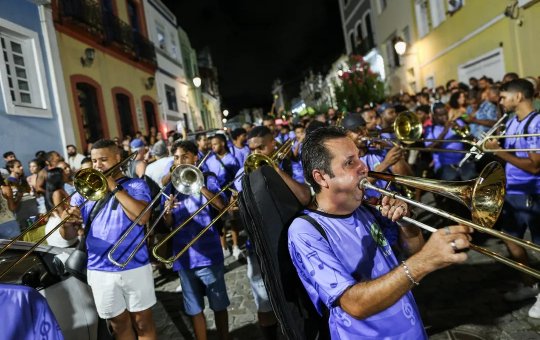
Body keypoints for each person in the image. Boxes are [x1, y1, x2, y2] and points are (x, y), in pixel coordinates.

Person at [288, 127, 473, 339]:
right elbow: (354, 304)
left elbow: (414, 250)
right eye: (350, 162)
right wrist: (423, 262)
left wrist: (406, 224)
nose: (364, 167)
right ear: (321, 177)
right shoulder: (304, 231)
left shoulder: (363, 206)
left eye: (359, 157)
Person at [60, 139, 157, 340]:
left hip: (134, 265)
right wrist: (66, 222)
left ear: (117, 159)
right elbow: (67, 236)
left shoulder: (135, 184)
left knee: (143, 323)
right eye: (94, 161)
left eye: (103, 160)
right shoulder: (84, 191)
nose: (97, 165)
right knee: (118, 326)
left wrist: (113, 187)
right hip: (100, 269)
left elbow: (142, 216)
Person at [234, 125, 311, 339]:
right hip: (260, 246)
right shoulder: (245, 172)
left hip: (295, 241)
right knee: (265, 301)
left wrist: (275, 170)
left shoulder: (290, 164)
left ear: (273, 144)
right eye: (252, 150)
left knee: (302, 299)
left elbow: (305, 197)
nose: (255, 154)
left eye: (260, 148)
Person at [161, 140, 230, 340]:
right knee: (194, 309)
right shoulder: (172, 186)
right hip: (184, 255)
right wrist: (167, 212)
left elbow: (221, 207)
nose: (180, 161)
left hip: (209, 255)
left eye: (184, 157)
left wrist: (199, 186)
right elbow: (167, 224)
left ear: (195, 158)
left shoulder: (208, 178)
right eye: (176, 158)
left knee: (219, 305)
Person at [484, 79, 540, 317]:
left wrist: (499, 152)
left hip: (532, 192)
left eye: (504, 96)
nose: (501, 100)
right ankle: (533, 285)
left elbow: (535, 166)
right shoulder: (512, 121)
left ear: (518, 97)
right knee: (509, 238)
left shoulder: (536, 122)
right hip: (514, 190)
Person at [44, 168, 77, 248]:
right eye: (64, 172)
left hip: (62, 225)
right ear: (58, 177)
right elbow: (61, 213)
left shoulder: (60, 189)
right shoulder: (57, 192)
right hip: (59, 228)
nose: (66, 173)